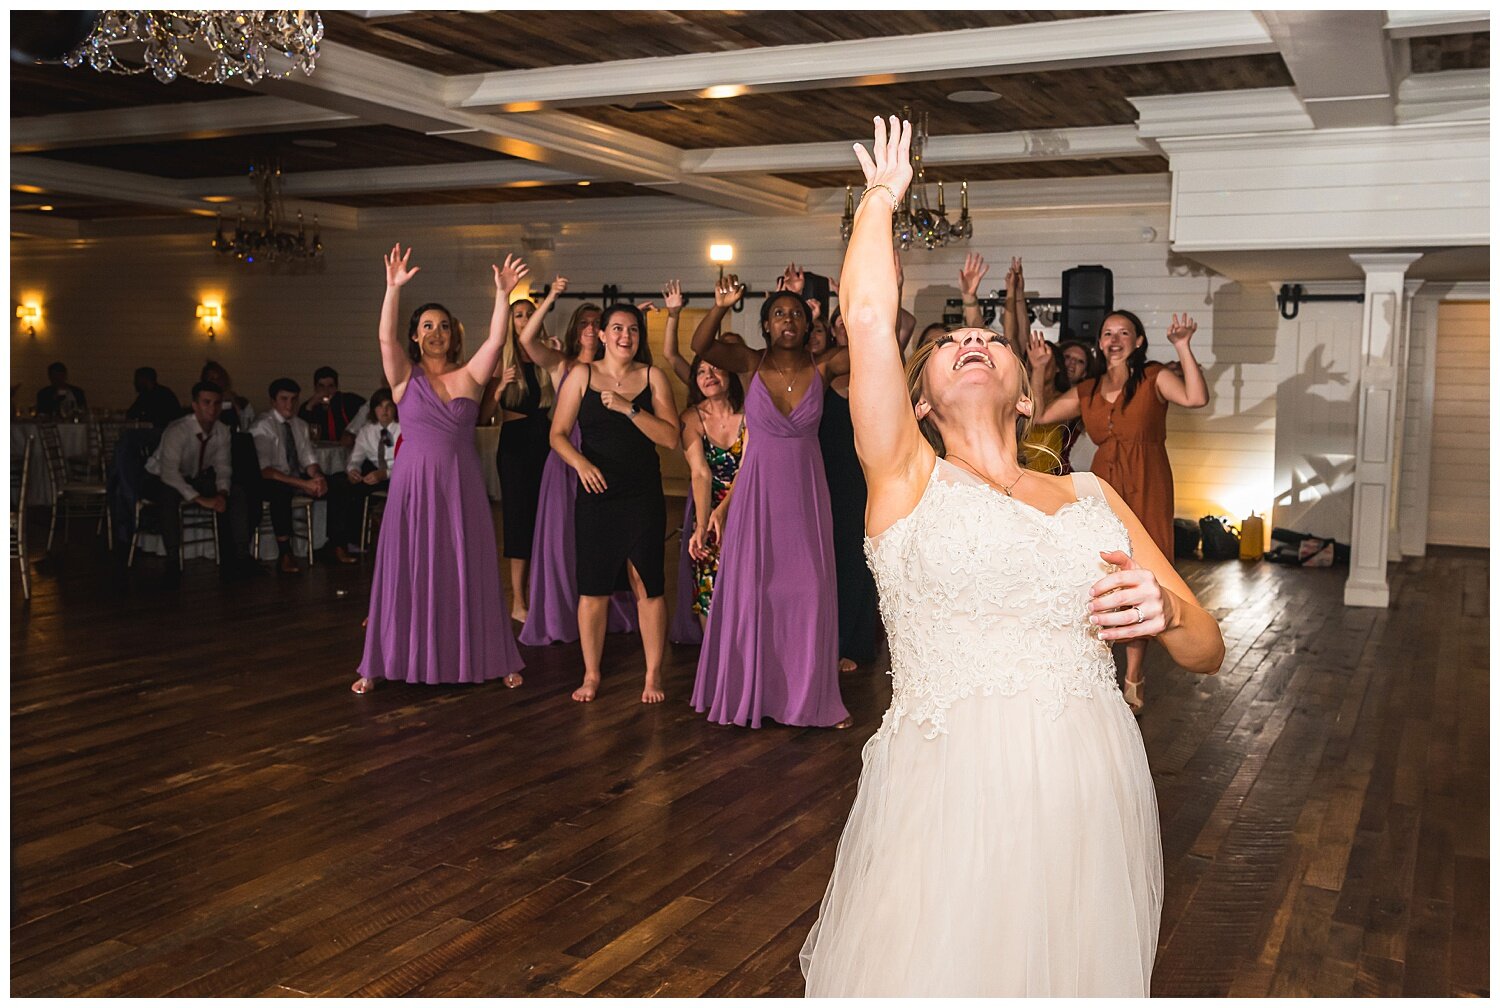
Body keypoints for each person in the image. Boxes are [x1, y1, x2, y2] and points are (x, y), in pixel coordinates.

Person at [800, 116, 1225, 998]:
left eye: (991, 339)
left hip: (1088, 776)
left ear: (1029, 391)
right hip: (948, 784)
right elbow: (869, 318)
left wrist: (1168, 609)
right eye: (951, 343)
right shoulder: (906, 480)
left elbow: (1206, 648)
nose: (972, 341)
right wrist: (881, 198)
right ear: (915, 404)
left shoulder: (1091, 500)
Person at [351, 244, 526, 693]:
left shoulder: (469, 375)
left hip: (460, 484)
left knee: (468, 567)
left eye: (443, 326)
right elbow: (385, 339)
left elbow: (496, 341)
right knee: (405, 568)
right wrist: (392, 289)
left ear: (453, 335)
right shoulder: (403, 377)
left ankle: (492, 654)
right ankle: (378, 663)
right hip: (412, 485)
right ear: (416, 336)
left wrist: (502, 295)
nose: (436, 332)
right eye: (427, 326)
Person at [688, 270, 852, 730]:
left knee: (811, 593)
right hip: (758, 494)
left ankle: (815, 701)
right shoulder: (749, 362)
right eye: (779, 313)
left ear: (808, 323)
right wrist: (721, 305)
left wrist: (846, 298)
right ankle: (754, 693)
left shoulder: (824, 366)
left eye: (797, 314)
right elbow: (702, 344)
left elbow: (870, 346)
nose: (788, 320)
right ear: (765, 325)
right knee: (756, 593)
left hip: (805, 495)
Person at [1030, 308, 1210, 711]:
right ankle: (1100, 670)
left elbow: (1196, 397)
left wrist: (1182, 346)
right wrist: (1041, 369)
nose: (1114, 339)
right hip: (1104, 487)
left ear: (1139, 342)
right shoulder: (1088, 389)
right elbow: (1039, 415)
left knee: (1142, 567)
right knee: (1101, 567)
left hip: (1148, 483)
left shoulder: (1152, 378)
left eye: (1124, 332)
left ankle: (1133, 675)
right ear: (1100, 342)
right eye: (1107, 332)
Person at [547, 302, 678, 704]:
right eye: (617, 329)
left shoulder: (652, 376)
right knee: (594, 586)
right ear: (601, 335)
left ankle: (653, 675)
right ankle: (591, 674)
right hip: (597, 494)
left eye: (633, 330)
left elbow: (670, 437)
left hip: (642, 494)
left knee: (648, 583)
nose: (626, 336)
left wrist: (629, 408)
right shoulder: (582, 376)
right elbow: (558, 434)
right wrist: (581, 463)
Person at [516, 282, 637, 646]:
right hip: (566, 459)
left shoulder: (612, 368)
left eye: (595, 321)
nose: (588, 327)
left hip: (603, 459)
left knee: (594, 542)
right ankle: (558, 613)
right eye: (583, 321)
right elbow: (525, 340)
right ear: (575, 329)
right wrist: (550, 299)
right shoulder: (561, 364)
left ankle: (597, 611)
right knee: (560, 542)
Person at [481, 294, 554, 624]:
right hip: (515, 448)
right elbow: (482, 417)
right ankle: (519, 600)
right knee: (519, 524)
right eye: (519, 315)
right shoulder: (500, 360)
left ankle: (543, 594)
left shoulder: (546, 357)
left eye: (529, 314)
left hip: (548, 445)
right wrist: (498, 390)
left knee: (547, 522)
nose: (524, 319)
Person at [140, 381, 254, 586]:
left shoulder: (221, 431)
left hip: (194, 476)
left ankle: (242, 555)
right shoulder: (178, 430)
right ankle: (173, 560)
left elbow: (223, 467)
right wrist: (201, 500)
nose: (212, 408)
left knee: (236, 491)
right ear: (195, 405)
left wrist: (222, 493)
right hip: (158, 477)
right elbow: (169, 474)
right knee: (169, 495)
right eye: (206, 402)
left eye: (216, 403)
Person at [681, 355, 746, 634]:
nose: (709, 375)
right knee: (707, 581)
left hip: (746, 502)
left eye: (716, 368)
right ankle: (713, 657)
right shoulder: (691, 417)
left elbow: (747, 469)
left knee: (745, 583)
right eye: (701, 371)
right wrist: (705, 518)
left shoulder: (749, 413)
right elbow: (700, 473)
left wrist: (724, 510)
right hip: (707, 502)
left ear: (730, 374)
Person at [251, 378, 339, 571]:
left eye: (294, 399)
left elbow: (308, 459)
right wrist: (302, 484)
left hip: (295, 477)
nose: (289, 405)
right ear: (273, 401)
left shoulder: (300, 425)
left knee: (338, 482)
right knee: (280, 491)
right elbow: (265, 470)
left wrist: (317, 477)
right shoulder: (263, 426)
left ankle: (335, 543)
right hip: (271, 480)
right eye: (284, 399)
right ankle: (285, 552)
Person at [341, 387, 399, 551]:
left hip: (398, 475)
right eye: (380, 407)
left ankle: (395, 540)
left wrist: (385, 473)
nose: (385, 411)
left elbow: (408, 464)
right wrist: (353, 471)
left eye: (389, 406)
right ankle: (355, 540)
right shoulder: (367, 431)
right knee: (353, 489)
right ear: (374, 410)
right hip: (377, 473)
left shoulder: (404, 430)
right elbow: (355, 458)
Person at [299, 366, 366, 447]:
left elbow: (367, 409)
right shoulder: (308, 406)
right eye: (321, 386)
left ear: (336, 387)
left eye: (330, 386)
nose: (326, 391)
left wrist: (352, 434)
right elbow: (300, 432)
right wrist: (310, 406)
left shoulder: (348, 401)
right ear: (315, 388)